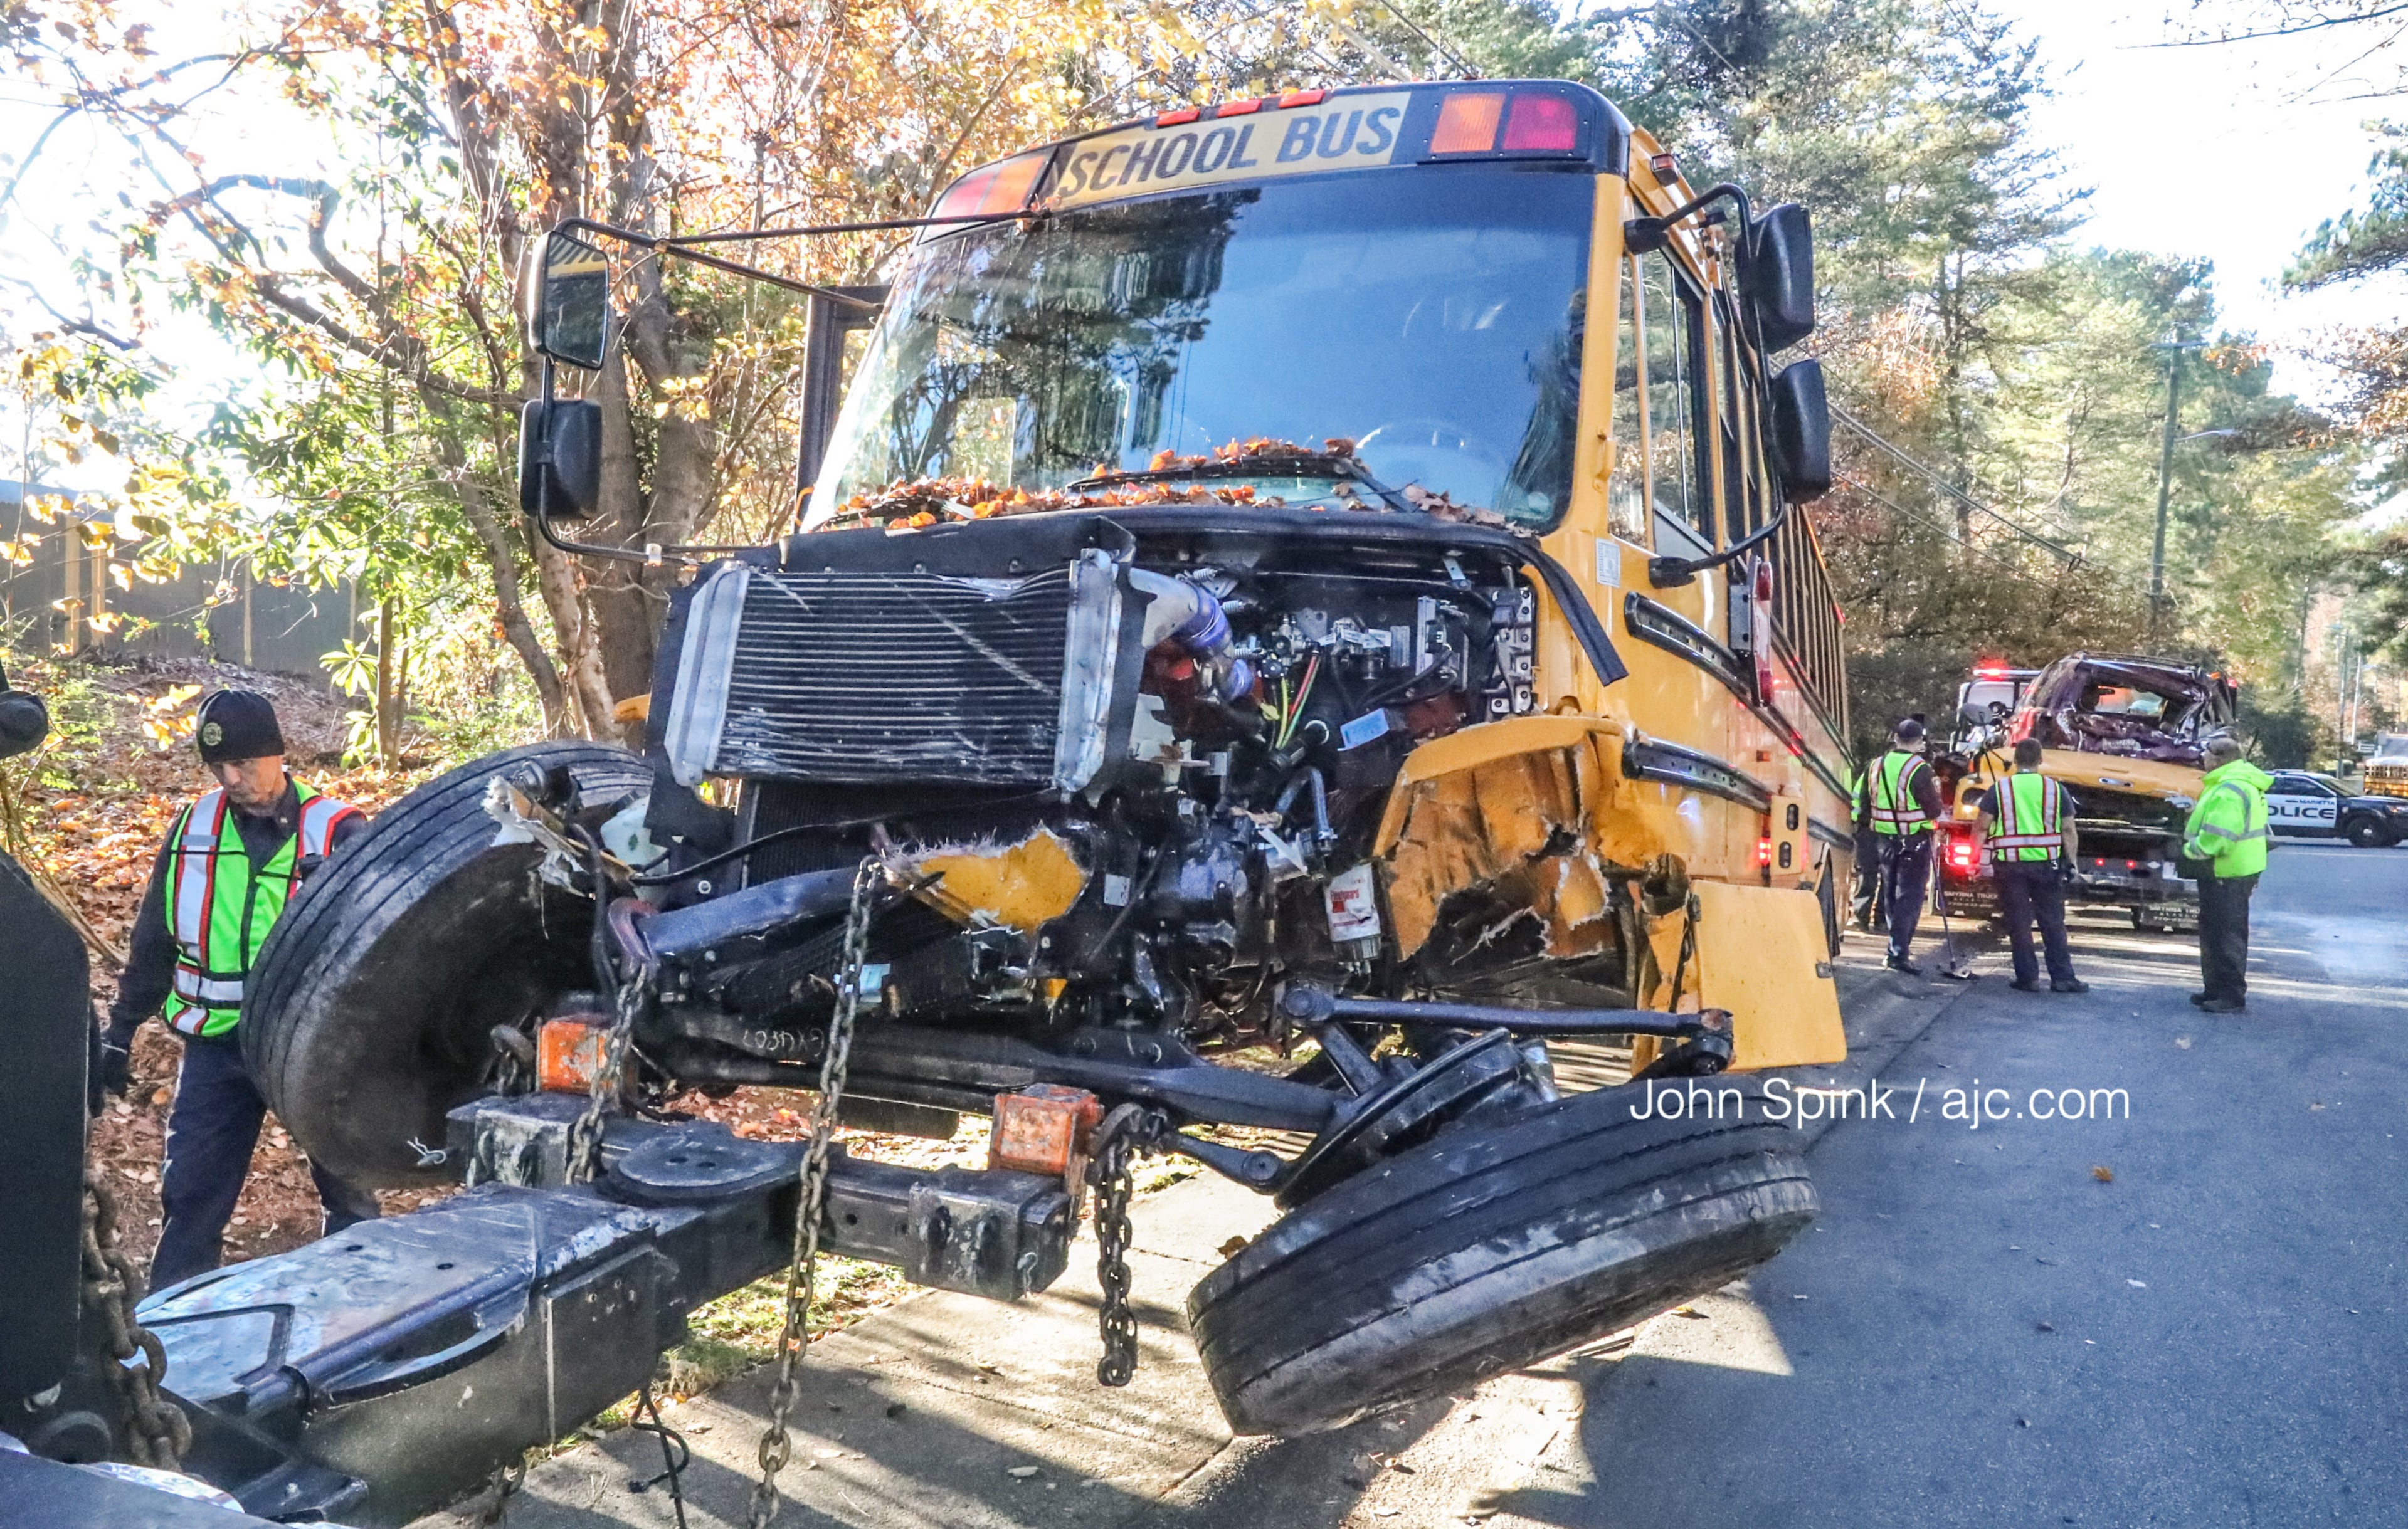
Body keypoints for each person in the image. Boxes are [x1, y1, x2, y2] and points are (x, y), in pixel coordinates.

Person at [97, 689, 378, 1290]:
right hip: (216, 1049)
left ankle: (357, 1310)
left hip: (311, 1048)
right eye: (219, 767)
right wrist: (120, 1032)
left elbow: (383, 951)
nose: (233, 778)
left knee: (349, 1195)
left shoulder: (338, 830)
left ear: (278, 753)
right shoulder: (193, 828)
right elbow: (154, 940)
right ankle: (171, 1334)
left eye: (245, 764)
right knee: (192, 1197)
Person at [1972, 738, 2088, 994]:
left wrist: (1975, 860)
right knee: (2053, 921)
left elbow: (1981, 826)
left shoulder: (1999, 790)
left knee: (2019, 923)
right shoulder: (2056, 790)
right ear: (2040, 761)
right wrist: (2072, 863)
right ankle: (2063, 978)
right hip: (2048, 866)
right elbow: (2068, 829)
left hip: (2010, 867)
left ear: (2015, 761)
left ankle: (2028, 978)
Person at [2182, 734, 2270, 1014]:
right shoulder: (2238, 784)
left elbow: (2219, 839)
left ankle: (2230, 995)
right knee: (2217, 933)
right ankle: (2216, 989)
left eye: (2206, 755)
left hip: (2226, 871)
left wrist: (2188, 850)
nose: (2202, 759)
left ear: (2219, 759)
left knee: (2226, 935)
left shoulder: (2229, 790)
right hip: (2237, 870)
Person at [1866, 717, 1945, 974]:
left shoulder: (1876, 765)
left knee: (1890, 895)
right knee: (1909, 899)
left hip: (1885, 841)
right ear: (1920, 741)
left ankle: (1894, 947)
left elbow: (1867, 804)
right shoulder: (1918, 768)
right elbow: (1933, 809)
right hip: (1913, 841)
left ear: (1895, 738)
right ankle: (1898, 952)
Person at [1848, 762, 1884, 932]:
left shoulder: (1873, 767)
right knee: (1888, 878)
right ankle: (1881, 920)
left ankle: (1861, 918)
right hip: (1892, 830)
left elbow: (1858, 798)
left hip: (1868, 827)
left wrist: (1858, 821)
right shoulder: (1912, 769)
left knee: (1867, 874)